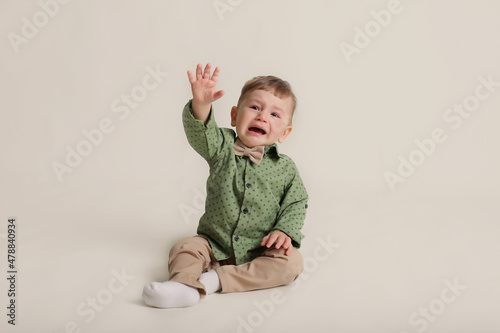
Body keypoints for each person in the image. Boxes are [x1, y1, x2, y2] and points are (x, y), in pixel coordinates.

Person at [142, 63, 309, 308]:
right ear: (234, 116)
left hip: (259, 250)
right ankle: (183, 286)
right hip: (214, 245)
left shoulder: (286, 168)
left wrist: (284, 231)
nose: (262, 116)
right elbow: (201, 134)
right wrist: (201, 104)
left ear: (285, 133)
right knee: (184, 247)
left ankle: (212, 282)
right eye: (254, 107)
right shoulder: (222, 147)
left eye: (275, 114)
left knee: (292, 263)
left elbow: (296, 202)